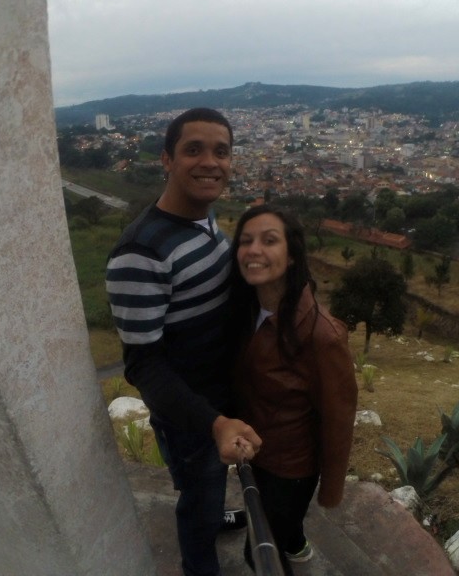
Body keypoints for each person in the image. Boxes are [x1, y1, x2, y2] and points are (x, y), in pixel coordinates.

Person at [106, 107, 261, 576]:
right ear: (167, 160)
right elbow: (143, 365)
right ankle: (199, 562)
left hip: (218, 400)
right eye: (193, 150)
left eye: (221, 151)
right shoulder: (141, 253)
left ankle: (213, 513)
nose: (210, 162)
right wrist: (212, 422)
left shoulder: (205, 223)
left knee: (210, 486)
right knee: (199, 492)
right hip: (192, 414)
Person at [229, 204, 358, 572]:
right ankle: (299, 549)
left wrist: (330, 491)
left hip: (289, 469)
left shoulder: (321, 335)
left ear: (291, 257)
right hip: (258, 455)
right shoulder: (245, 309)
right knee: (285, 531)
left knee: (259, 554)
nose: (253, 250)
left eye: (269, 241)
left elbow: (338, 418)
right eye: (246, 240)